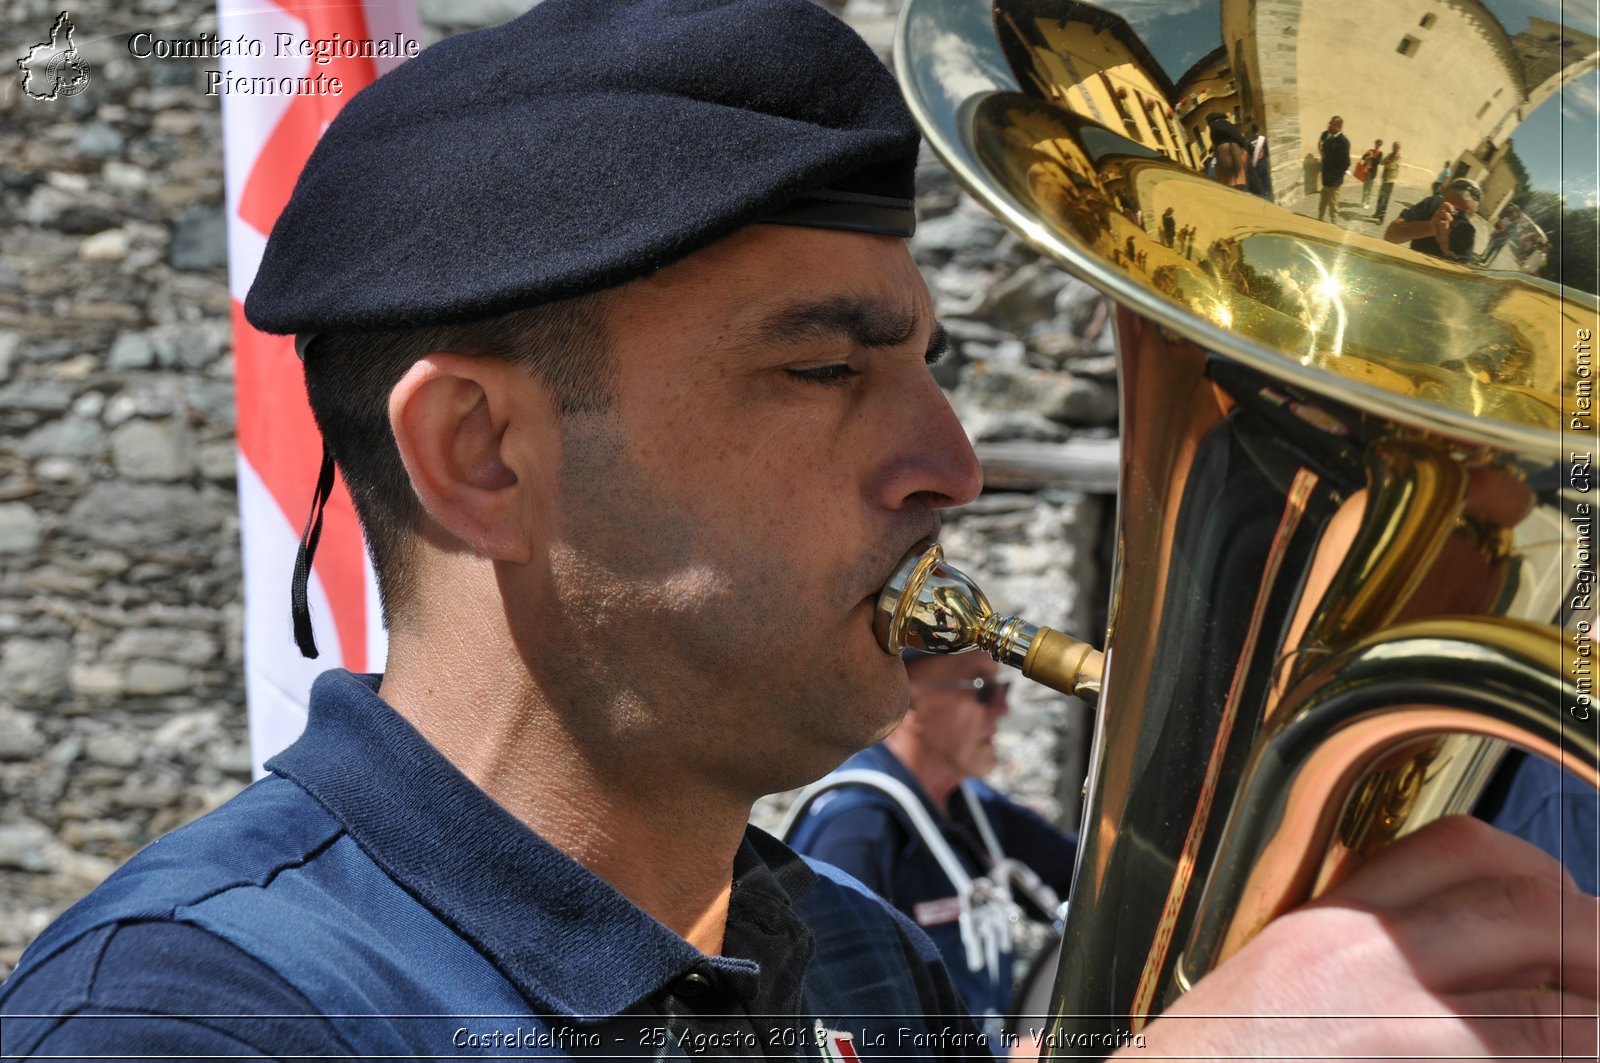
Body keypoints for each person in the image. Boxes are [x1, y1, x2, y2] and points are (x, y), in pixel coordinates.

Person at [1, 2, 1595, 1061]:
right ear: (478, 453)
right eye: (824, 368)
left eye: (929, 366)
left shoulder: (843, 954)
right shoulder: (183, 1007)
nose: (951, 461)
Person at [785, 650, 1077, 1037]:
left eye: (999, 686)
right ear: (909, 696)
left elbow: (1084, 875)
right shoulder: (857, 826)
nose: (1003, 708)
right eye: (981, 687)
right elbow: (845, 1023)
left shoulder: (972, 805)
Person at [1384, 176, 1482, 261]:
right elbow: (1390, 236)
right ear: (1442, 200)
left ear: (1470, 217)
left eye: (1462, 215)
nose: (1454, 218)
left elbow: (1459, 276)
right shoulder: (1432, 206)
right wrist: (1430, 227)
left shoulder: (1465, 233)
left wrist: (1447, 251)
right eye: (1452, 210)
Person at [1316, 115, 1350, 224]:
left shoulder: (1343, 141)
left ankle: (1334, 227)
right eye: (1329, 123)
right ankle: (1319, 221)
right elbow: (1324, 153)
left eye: (1331, 124)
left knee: (1333, 206)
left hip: (1334, 181)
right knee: (1322, 203)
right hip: (1326, 179)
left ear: (1338, 126)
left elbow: (1346, 163)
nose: (1329, 126)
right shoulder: (1329, 138)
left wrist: (1336, 176)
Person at [1373, 141, 1402, 220]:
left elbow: (1394, 166)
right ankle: (1377, 213)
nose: (1394, 148)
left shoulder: (1398, 157)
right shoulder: (1390, 154)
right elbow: (1381, 162)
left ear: (1399, 148)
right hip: (1384, 179)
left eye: (1396, 147)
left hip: (1390, 181)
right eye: (1393, 146)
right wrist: (1386, 162)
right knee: (1380, 197)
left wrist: (1388, 163)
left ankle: (1381, 218)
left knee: (1385, 199)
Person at [1245, 122, 1273, 202]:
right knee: (1266, 181)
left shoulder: (1248, 141)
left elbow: (1249, 156)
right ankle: (1268, 197)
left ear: (1251, 130)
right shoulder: (1263, 139)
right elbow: (1267, 152)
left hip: (1255, 165)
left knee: (1259, 182)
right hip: (1263, 163)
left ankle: (1262, 197)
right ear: (1258, 130)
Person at [1357, 138, 1383, 209]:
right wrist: (1366, 155)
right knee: (1365, 188)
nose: (1377, 145)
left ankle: (1367, 202)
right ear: (1375, 144)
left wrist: (1371, 157)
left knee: (1369, 188)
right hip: (1366, 171)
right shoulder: (1370, 150)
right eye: (1377, 143)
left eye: (1379, 144)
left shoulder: (1380, 153)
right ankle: (1363, 201)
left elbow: (1377, 162)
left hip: (1372, 173)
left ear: (1380, 145)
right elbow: (1363, 157)